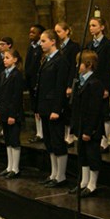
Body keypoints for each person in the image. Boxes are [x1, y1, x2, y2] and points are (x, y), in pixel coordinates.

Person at [34, 29, 70, 187]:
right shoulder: (46, 60)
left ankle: (61, 175)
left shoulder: (61, 60)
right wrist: (37, 108)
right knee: (49, 142)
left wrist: (57, 109)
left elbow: (60, 86)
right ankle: (53, 173)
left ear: (53, 41)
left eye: (43, 41)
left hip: (54, 108)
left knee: (57, 141)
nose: (41, 44)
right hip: (44, 106)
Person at [70, 50, 105, 197]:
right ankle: (83, 182)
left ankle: (92, 184)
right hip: (81, 125)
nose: (77, 66)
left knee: (92, 155)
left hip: (91, 128)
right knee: (82, 155)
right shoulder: (80, 81)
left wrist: (88, 130)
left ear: (89, 65)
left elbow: (94, 110)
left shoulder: (95, 83)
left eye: (79, 63)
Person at [88, 17, 110, 153]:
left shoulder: (108, 44)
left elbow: (108, 67)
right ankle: (96, 137)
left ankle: (105, 142)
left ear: (102, 27)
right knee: (94, 112)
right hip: (92, 83)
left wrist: (106, 87)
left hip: (103, 82)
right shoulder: (90, 45)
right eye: (90, 26)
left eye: (94, 25)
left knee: (104, 113)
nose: (91, 28)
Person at [0, 49, 25, 178]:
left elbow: (16, 97)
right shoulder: (3, 74)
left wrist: (13, 115)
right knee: (8, 140)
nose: (4, 60)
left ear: (15, 59)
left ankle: (16, 168)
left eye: (7, 57)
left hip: (13, 113)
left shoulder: (17, 74)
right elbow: (0, 95)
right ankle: (9, 166)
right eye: (4, 58)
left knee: (14, 140)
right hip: (4, 111)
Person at [54, 21, 81, 144]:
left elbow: (73, 68)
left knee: (69, 109)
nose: (57, 34)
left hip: (69, 81)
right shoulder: (59, 47)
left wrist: (70, 85)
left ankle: (70, 136)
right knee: (63, 109)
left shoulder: (73, 46)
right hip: (60, 80)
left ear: (67, 31)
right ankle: (64, 134)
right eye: (56, 32)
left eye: (59, 31)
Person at [24, 24, 45, 143]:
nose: (30, 34)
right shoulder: (31, 47)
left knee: (39, 108)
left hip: (39, 83)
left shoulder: (41, 49)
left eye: (33, 32)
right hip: (31, 82)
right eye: (30, 32)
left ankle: (42, 133)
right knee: (35, 109)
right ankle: (38, 132)